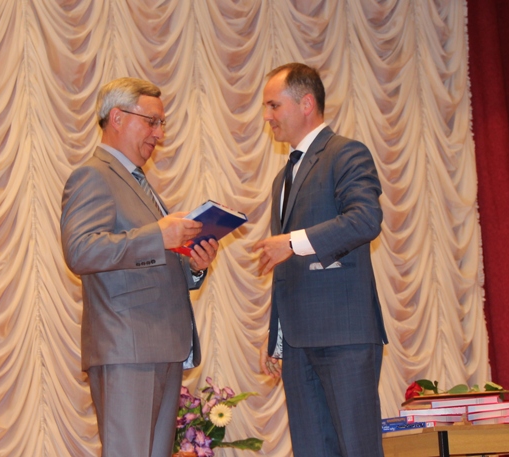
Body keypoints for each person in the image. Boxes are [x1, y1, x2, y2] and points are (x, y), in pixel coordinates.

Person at [60, 77, 218, 457]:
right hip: (127, 350)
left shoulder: (138, 182)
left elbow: (151, 260)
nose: (159, 134)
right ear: (117, 118)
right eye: (152, 122)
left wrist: (194, 266)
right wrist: (158, 236)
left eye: (161, 124)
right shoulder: (93, 175)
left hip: (161, 347)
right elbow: (80, 250)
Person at [253, 63, 388, 457]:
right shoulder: (282, 178)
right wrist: (277, 337)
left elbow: (365, 219)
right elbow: (286, 271)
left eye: (274, 105)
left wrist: (293, 242)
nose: (267, 117)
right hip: (297, 345)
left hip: (344, 336)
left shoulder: (346, 153)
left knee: (358, 449)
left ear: (306, 104)